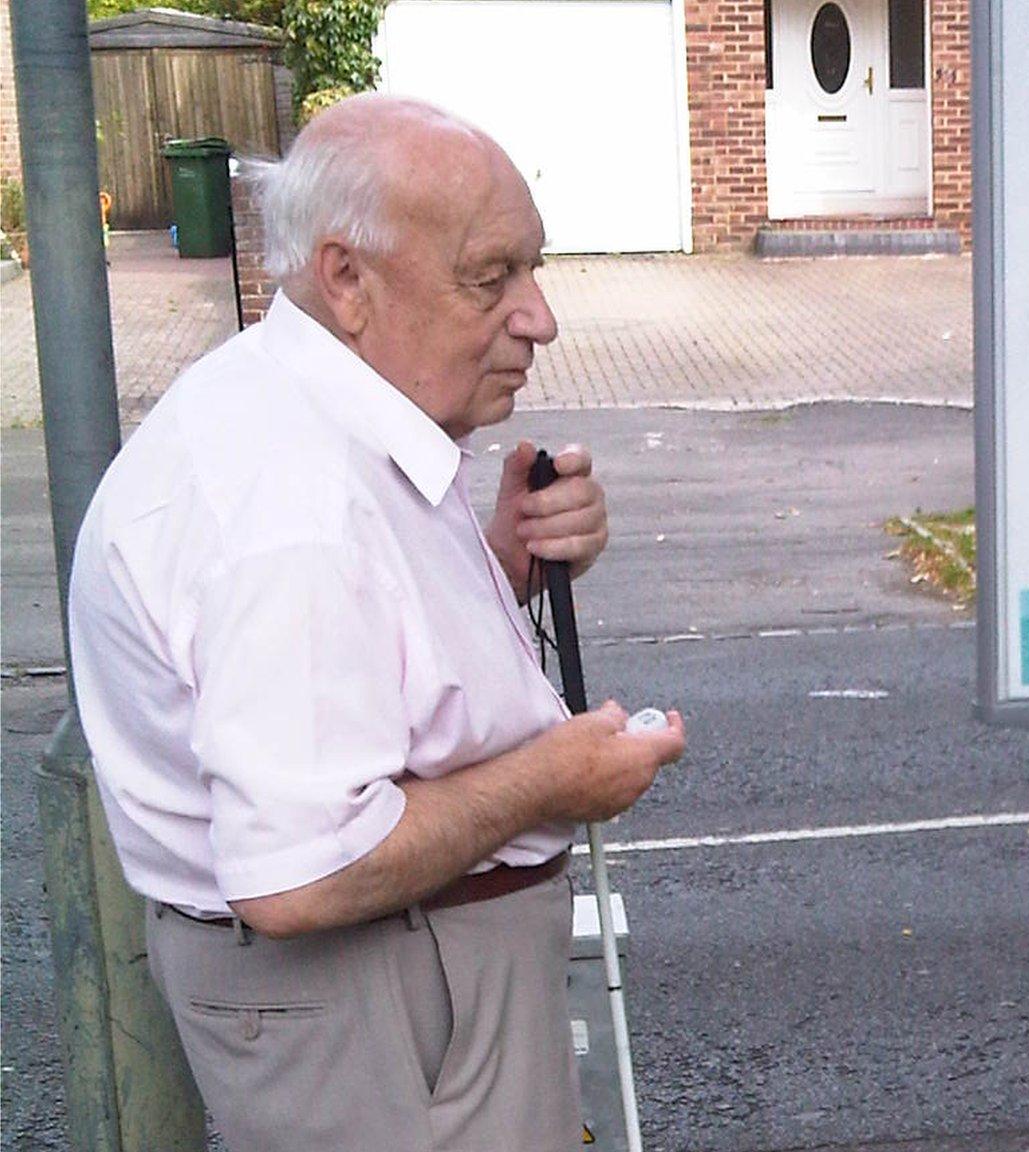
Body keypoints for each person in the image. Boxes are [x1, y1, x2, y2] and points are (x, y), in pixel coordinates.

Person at [66, 93, 687, 1151]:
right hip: (389, 1001)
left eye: (533, 269)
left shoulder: (320, 412)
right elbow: (300, 874)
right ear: (346, 279)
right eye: (491, 277)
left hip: (407, 990)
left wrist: (500, 564)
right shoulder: (288, 508)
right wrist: (557, 779)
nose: (538, 317)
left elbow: (352, 656)